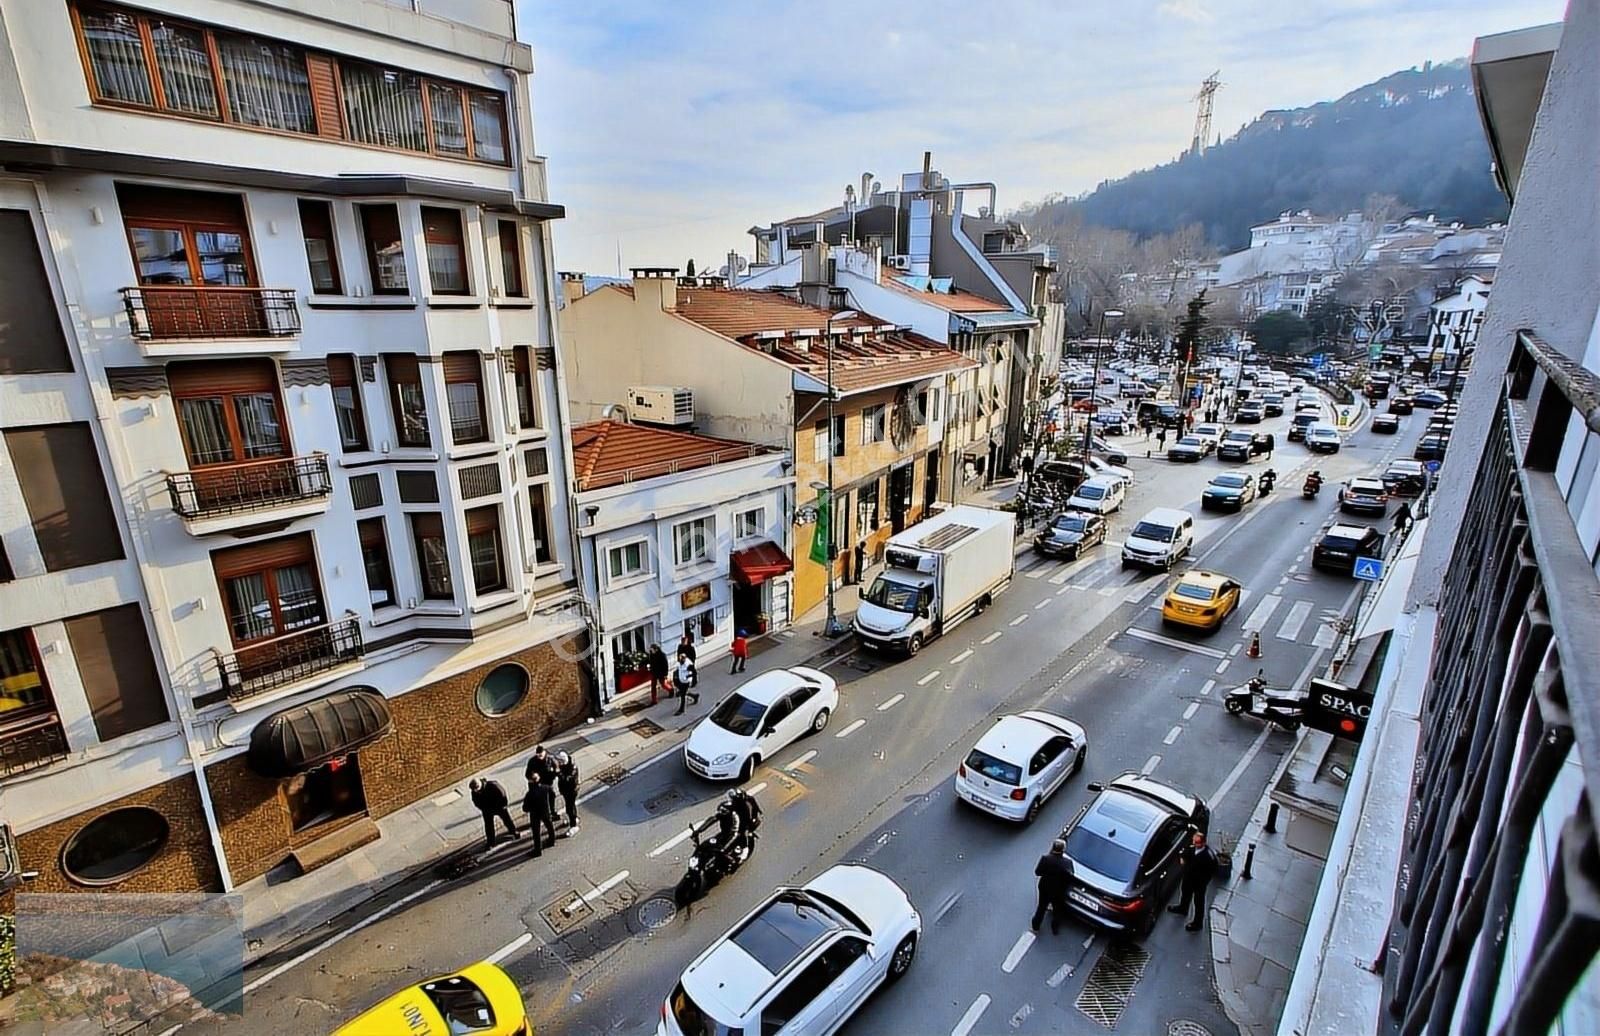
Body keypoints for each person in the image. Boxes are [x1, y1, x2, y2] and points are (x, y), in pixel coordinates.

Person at [1169, 831, 1220, 931]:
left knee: (1198, 901)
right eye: (1194, 841)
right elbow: (1185, 853)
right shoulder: (1193, 848)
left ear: (1203, 843)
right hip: (1188, 877)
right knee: (1185, 893)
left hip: (1199, 883)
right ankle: (1183, 908)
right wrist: (1182, 858)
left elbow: (1213, 870)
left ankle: (1197, 923)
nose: (1194, 844)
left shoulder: (1208, 856)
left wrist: (1204, 880)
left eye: (1197, 843)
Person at [1032, 839, 1075, 934]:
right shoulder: (1067, 863)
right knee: (1057, 909)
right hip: (1058, 890)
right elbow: (1070, 878)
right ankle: (1055, 928)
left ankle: (1036, 925)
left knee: (1041, 907)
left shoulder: (1045, 859)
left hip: (1045, 887)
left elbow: (1037, 872)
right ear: (1063, 850)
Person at [469, 777, 519, 850]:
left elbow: (502, 794)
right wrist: (483, 808)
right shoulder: (474, 791)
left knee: (507, 819)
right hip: (487, 810)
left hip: (499, 807)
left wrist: (503, 805)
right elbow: (476, 801)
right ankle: (490, 842)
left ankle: (513, 831)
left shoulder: (493, 785)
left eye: (476, 789)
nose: (475, 791)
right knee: (489, 826)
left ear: (479, 786)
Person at [522, 773, 558, 856]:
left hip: (535, 814)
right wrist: (551, 807)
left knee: (536, 832)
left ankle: (538, 849)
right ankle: (552, 840)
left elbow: (525, 808)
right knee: (549, 825)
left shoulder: (529, 794)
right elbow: (553, 795)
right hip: (545, 810)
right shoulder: (546, 788)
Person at [556, 751, 580, 835]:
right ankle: (574, 818)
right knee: (571, 806)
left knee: (569, 808)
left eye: (559, 761)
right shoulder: (564, 765)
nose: (558, 763)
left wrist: (559, 773)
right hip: (565, 790)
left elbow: (567, 779)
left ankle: (574, 825)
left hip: (571, 791)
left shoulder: (572, 768)